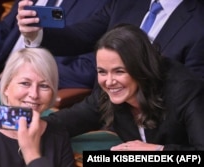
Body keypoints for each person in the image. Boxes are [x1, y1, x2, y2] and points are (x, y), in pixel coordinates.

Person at [44, 24, 204, 151]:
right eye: (102, 72)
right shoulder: (108, 89)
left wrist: (157, 151)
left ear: (141, 68)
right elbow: (74, 119)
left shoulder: (185, 90)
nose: (109, 81)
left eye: (119, 71)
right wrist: (32, 126)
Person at [17, 0, 204, 79]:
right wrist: (36, 33)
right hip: (104, 114)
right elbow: (79, 36)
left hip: (158, 130)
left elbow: (193, 96)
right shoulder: (125, 2)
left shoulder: (198, 23)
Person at [0, 0, 110, 89]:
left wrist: (25, 73)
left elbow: (87, 70)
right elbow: (2, 30)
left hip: (33, 95)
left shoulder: (102, 6)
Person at [0, 48, 75, 166]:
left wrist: (31, 153)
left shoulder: (58, 134)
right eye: (25, 83)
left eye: (44, 86)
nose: (34, 94)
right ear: (6, 87)